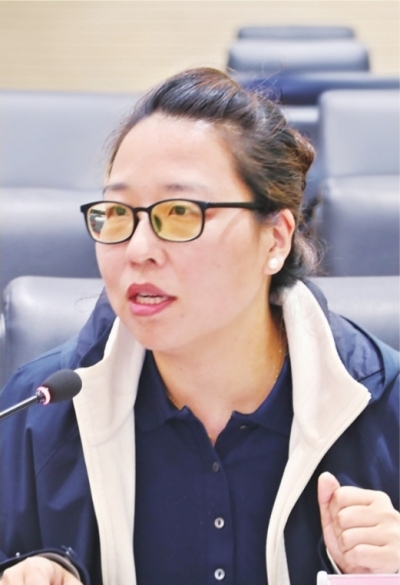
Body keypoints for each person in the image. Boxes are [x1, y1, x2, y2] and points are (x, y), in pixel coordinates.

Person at [0, 67, 399, 585]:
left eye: (180, 212)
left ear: (275, 239)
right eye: (117, 212)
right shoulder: (37, 414)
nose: (138, 250)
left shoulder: (385, 404)